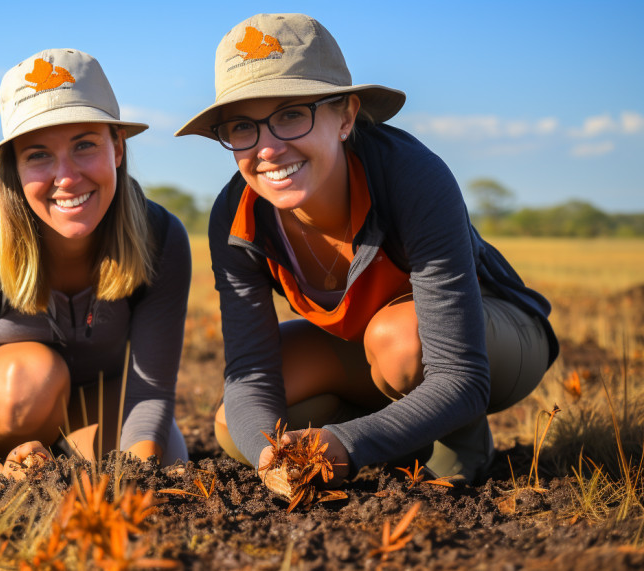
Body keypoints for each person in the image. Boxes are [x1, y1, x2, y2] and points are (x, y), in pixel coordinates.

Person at [176, 14, 558, 485]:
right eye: (241, 126)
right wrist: (268, 457)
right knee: (240, 428)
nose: (268, 149)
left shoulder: (410, 178)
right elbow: (251, 374)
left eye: (292, 114)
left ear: (346, 116)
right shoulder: (237, 217)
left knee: (400, 342)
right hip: (371, 351)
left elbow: (460, 374)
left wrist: (348, 444)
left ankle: (459, 446)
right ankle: (403, 436)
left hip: (486, 340)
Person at [0, 48, 191, 479]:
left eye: (84, 145)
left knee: (167, 455)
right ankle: (15, 466)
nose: (67, 177)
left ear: (117, 146)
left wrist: (140, 474)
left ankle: (60, 463)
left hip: (100, 400)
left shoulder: (160, 237)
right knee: (25, 384)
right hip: (8, 412)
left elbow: (150, 392)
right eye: (38, 154)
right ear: (14, 168)